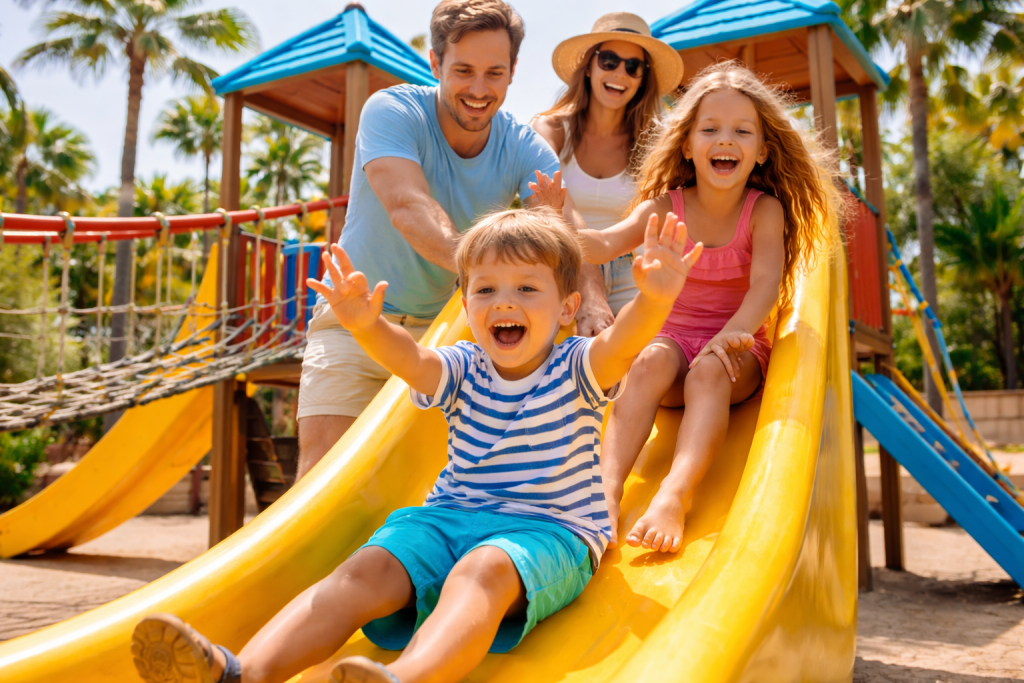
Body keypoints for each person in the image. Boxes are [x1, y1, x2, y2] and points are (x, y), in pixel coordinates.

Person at [130, 207, 703, 683]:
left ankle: (407, 677)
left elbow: (624, 343)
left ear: (567, 309)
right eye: (486, 290)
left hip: (548, 530)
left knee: (483, 571)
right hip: (446, 518)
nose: (505, 302)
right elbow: (412, 359)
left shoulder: (578, 365)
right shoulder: (462, 366)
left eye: (528, 288)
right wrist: (364, 325)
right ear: (467, 302)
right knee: (365, 570)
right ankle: (242, 673)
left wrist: (654, 299)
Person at [297, 0, 610, 478]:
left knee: (433, 489)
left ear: (512, 74)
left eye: (494, 72)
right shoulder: (393, 110)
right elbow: (410, 209)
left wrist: (590, 300)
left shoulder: (522, 145)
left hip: (449, 339)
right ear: (435, 63)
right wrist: (485, 272)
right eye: (463, 70)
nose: (479, 89)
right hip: (355, 321)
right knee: (319, 478)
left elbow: (569, 228)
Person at [579, 62, 842, 554]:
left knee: (709, 373)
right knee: (649, 360)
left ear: (762, 150)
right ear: (687, 145)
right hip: (672, 348)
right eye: (710, 129)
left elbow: (767, 284)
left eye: (742, 131)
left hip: (734, 352)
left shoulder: (763, 210)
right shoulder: (664, 207)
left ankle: (674, 495)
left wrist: (735, 333)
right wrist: (554, 224)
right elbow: (604, 242)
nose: (726, 140)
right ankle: (604, 493)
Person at [532, 12, 683, 316]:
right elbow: (553, 208)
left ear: (643, 79)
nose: (620, 74)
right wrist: (591, 290)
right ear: (589, 65)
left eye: (633, 66)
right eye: (609, 60)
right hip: (562, 269)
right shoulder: (551, 130)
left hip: (635, 271)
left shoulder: (658, 143)